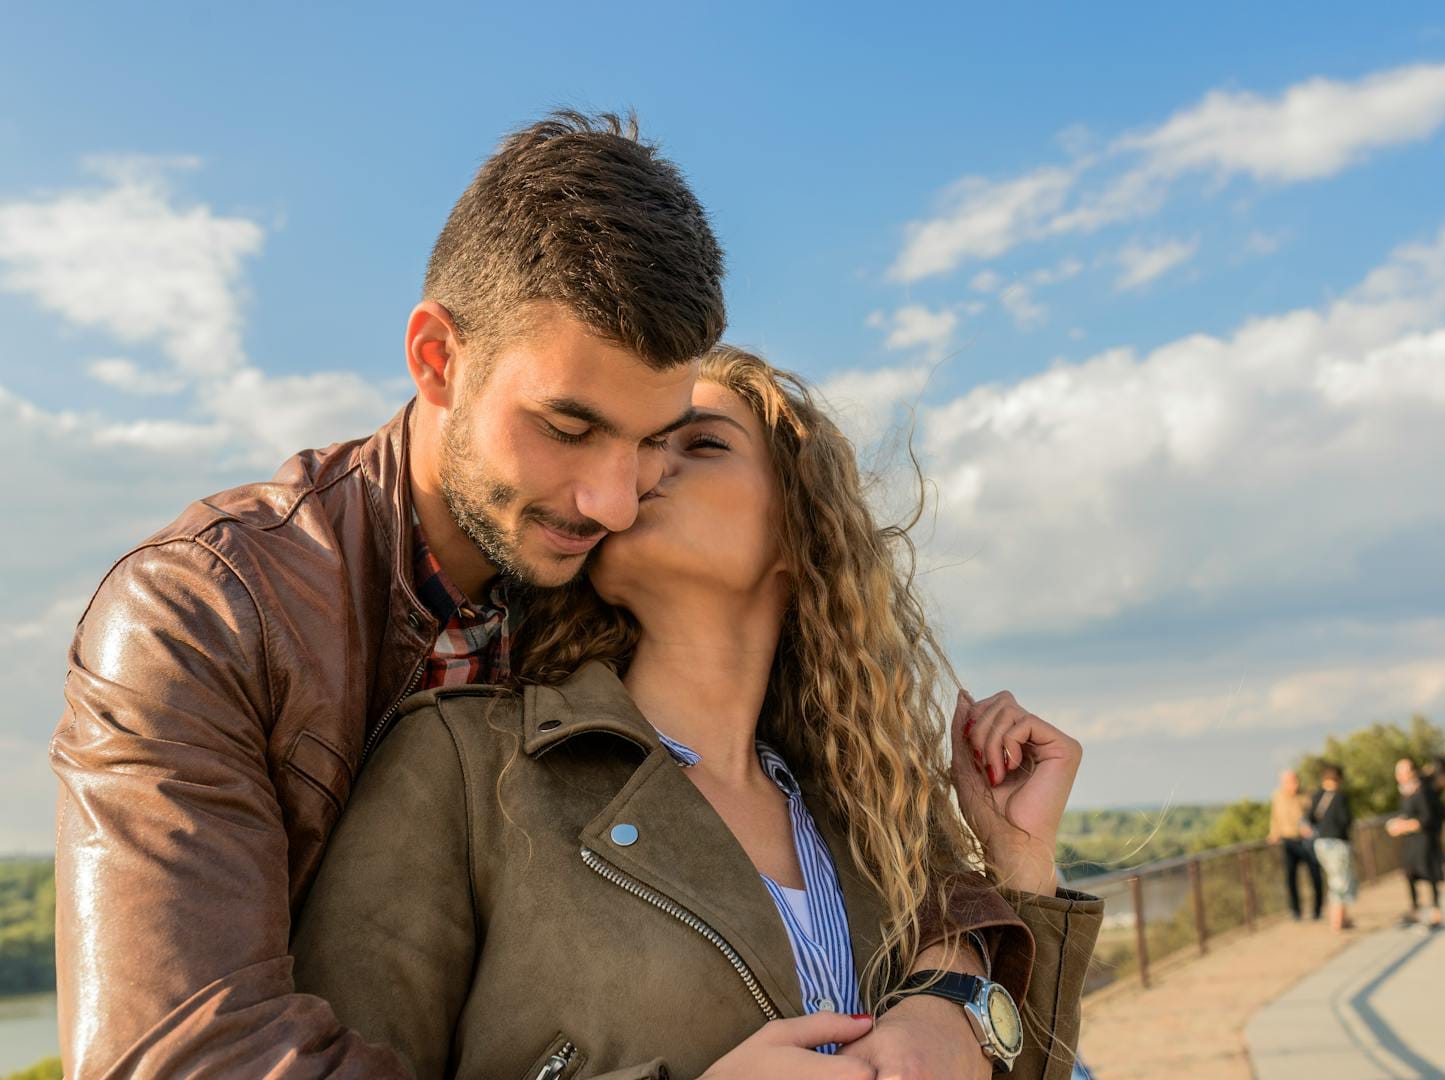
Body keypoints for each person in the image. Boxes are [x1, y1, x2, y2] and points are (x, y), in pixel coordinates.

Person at [50, 114, 1028, 1077]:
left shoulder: (607, 616)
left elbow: (899, 855)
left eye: (655, 438)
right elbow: (182, 1058)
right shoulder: (200, 612)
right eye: (567, 426)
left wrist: (958, 987)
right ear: (437, 358)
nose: (616, 498)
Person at [292, 347, 1103, 1078]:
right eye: (644, 446)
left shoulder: (872, 821)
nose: (642, 471)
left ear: (800, 533)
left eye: (701, 443)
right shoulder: (464, 765)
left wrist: (1020, 862)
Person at [1388, 759, 1445, 930]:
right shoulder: (1405, 792)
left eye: (1403, 772)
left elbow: (1427, 818)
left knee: (1429, 874)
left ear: (1412, 772)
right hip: (1410, 841)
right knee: (1410, 874)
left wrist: (1404, 826)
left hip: (1424, 840)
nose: (1399, 776)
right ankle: (1415, 911)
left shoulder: (1422, 791)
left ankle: (1436, 912)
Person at [1268, 769, 1323, 921]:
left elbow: (1315, 816)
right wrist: (1274, 833)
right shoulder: (1277, 797)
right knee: (1290, 877)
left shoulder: (1306, 795)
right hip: (1288, 840)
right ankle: (1295, 911)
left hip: (1306, 841)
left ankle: (1318, 910)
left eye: (1293, 780)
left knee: (1315, 875)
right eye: (1287, 781)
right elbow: (1274, 817)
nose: (1291, 784)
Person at [1308, 765, 1356, 931]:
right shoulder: (1340, 797)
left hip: (1321, 843)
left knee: (1333, 879)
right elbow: (1346, 820)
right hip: (1337, 843)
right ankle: (1338, 920)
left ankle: (1338, 918)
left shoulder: (1317, 795)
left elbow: (1310, 818)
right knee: (1341, 881)